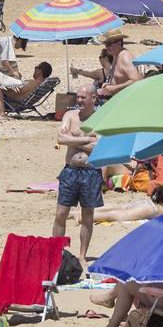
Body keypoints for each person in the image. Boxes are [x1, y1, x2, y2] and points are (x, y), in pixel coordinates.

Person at [53, 85, 103, 259]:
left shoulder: (101, 118)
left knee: (87, 215)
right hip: (71, 171)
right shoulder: (70, 116)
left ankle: (82, 256)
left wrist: (72, 140)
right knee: (61, 213)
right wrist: (87, 139)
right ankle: (57, 253)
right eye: (78, 97)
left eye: (83, 97)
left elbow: (100, 145)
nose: (79, 101)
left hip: (91, 172)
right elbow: (60, 138)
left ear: (93, 98)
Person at [72, 31, 140, 100]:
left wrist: (114, 88)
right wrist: (109, 85)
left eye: (109, 44)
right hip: (118, 98)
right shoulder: (116, 55)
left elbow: (136, 80)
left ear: (119, 43)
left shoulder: (125, 56)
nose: (106, 47)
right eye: (105, 44)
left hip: (127, 99)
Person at [89, 183, 163, 224]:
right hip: (150, 210)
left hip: (146, 204)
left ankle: (80, 212)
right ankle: (81, 217)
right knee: (115, 215)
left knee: (120, 207)